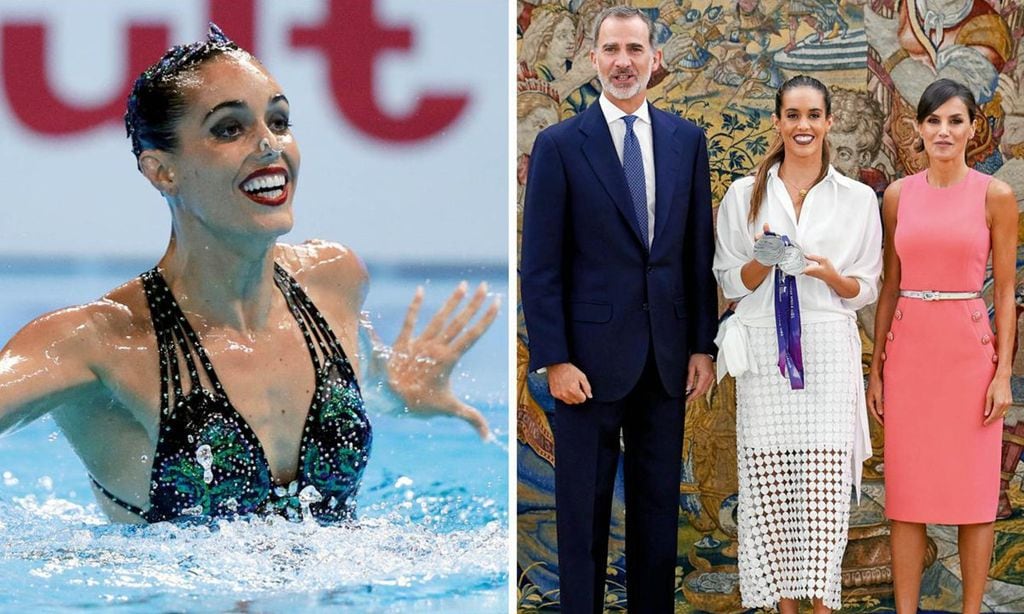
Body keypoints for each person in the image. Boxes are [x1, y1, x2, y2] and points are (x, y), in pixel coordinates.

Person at [0, 26, 498, 524]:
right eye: (228, 129)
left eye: (279, 121)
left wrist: (395, 393)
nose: (268, 145)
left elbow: (374, 373)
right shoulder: (94, 343)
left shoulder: (332, 280)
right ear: (161, 171)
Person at [519, 6, 717, 612]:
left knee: (658, 516)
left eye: (635, 49)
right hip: (585, 369)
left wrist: (702, 346)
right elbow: (540, 264)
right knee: (583, 514)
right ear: (595, 59)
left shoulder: (687, 140)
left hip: (665, 361)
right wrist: (554, 359)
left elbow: (696, 254)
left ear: (655, 59)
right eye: (611, 50)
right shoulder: (558, 145)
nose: (623, 62)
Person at [713, 75, 882, 613]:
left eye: (813, 115)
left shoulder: (857, 199)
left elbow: (866, 288)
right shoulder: (744, 195)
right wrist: (763, 260)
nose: (803, 126)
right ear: (778, 122)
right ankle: (784, 608)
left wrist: (831, 275)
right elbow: (728, 283)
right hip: (766, 352)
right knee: (773, 494)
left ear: (828, 122)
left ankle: (823, 605)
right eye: (793, 115)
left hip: (829, 349)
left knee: (823, 493)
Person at [867, 78, 1017, 614]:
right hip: (909, 354)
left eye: (955, 121)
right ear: (919, 128)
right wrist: (877, 370)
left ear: (974, 129)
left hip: (970, 356)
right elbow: (889, 283)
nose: (944, 131)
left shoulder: (996, 196)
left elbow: (1004, 288)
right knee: (906, 498)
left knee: (975, 498)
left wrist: (1002, 374)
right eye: (934, 121)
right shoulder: (898, 195)